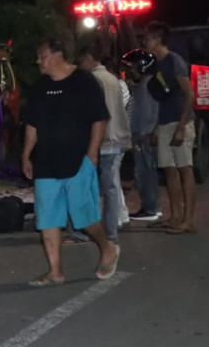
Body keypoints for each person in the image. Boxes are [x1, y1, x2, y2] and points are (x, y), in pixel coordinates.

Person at [21, 38, 120, 286]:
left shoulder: (84, 81)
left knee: (84, 217)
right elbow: (32, 125)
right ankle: (55, 271)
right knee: (48, 218)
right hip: (45, 161)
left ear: (58, 55)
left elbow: (99, 119)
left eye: (42, 56)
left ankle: (107, 246)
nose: (38, 61)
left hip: (78, 159)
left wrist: (92, 153)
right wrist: (26, 155)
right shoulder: (40, 87)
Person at [143, 21, 197, 234]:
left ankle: (188, 220)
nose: (145, 42)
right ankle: (175, 216)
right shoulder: (159, 64)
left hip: (179, 121)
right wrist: (158, 127)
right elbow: (162, 99)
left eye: (147, 39)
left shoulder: (175, 61)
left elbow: (189, 94)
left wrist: (182, 127)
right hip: (166, 122)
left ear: (157, 39)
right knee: (169, 170)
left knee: (185, 169)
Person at [77, 43, 131, 243]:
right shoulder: (112, 78)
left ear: (90, 58)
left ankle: (99, 230)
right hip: (118, 137)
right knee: (112, 187)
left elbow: (96, 114)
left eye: (81, 61)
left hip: (103, 139)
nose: (80, 65)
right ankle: (111, 229)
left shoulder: (93, 80)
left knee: (95, 186)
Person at [121, 48, 161, 221]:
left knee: (146, 174)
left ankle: (151, 209)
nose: (130, 71)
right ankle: (149, 206)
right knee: (143, 173)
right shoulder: (144, 85)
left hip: (144, 136)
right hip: (142, 136)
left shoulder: (148, 86)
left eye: (133, 67)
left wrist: (146, 133)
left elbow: (147, 114)